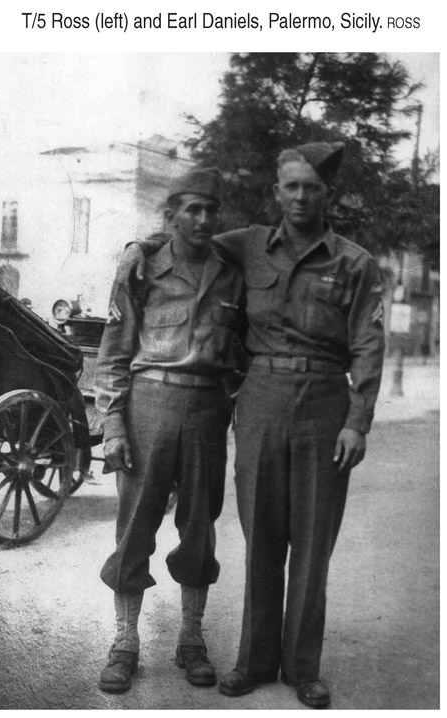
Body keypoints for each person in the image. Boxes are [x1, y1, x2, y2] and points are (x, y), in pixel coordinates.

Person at [118, 142, 385, 708]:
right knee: (261, 535)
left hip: (323, 402)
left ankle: (303, 668)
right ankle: (254, 660)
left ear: (325, 195)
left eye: (312, 187)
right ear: (276, 194)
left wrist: (358, 421)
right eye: (291, 186)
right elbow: (183, 243)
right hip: (259, 399)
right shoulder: (248, 246)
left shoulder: (354, 263)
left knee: (313, 542)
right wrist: (136, 248)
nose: (301, 196)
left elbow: (368, 344)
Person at [94, 167, 244, 694]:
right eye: (192, 210)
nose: (202, 219)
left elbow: (243, 352)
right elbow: (113, 355)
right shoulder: (142, 267)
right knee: (135, 526)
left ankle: (191, 639)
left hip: (206, 407)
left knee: (199, 526)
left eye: (210, 210)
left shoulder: (233, 272)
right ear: (171, 214)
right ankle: (124, 642)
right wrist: (113, 424)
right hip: (148, 405)